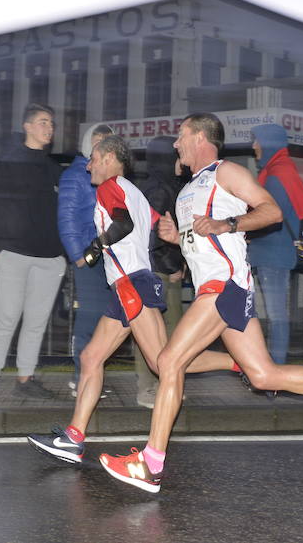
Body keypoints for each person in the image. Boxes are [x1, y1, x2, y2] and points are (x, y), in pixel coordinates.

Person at [98, 113, 303, 493]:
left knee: (169, 361)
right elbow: (201, 239)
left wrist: (228, 224)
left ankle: (151, 465)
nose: (176, 144)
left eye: (182, 136)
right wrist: (176, 237)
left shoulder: (227, 172)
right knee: (263, 375)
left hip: (224, 287)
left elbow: (271, 210)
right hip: (220, 289)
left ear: (201, 136)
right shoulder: (190, 188)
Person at [27, 135, 234, 463]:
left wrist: (96, 247)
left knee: (162, 362)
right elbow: (157, 230)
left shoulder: (110, 187)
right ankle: (73, 437)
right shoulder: (135, 192)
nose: (89, 165)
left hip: (131, 286)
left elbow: (122, 224)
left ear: (109, 158)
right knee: (92, 358)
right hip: (130, 285)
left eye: (94, 158)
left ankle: (239, 364)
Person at [0, 103, 66, 401]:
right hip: (13, 253)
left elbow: (62, 212)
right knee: (6, 316)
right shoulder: (10, 162)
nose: (49, 128)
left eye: (51, 124)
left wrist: (62, 253)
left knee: (37, 321)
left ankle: (25, 379)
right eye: (43, 122)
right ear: (27, 126)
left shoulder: (53, 168)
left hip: (49, 257)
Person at [247, 123, 303, 364]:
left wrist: (241, 228)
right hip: (275, 253)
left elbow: (268, 217)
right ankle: (272, 366)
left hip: (272, 255)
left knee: (276, 315)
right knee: (275, 314)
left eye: (257, 141)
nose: (253, 146)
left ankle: (275, 369)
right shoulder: (281, 170)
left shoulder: (276, 176)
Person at [57, 124, 117, 400]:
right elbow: (66, 217)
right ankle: (80, 377)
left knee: (104, 319)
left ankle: (93, 376)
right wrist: (77, 255)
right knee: (89, 319)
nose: (101, 145)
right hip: (88, 257)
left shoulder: (108, 175)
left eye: (107, 141)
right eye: (97, 141)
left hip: (107, 257)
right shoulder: (76, 174)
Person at [136, 136, 187, 407]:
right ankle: (147, 388)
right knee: (154, 332)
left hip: (164, 269)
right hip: (158, 271)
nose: (182, 161)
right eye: (177, 156)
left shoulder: (165, 185)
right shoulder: (158, 188)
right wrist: (171, 265)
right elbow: (152, 235)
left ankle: (166, 384)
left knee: (169, 332)